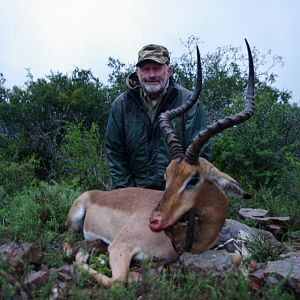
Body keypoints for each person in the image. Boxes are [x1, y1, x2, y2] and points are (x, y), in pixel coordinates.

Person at [105, 44, 210, 190]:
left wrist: (177, 194)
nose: (151, 75)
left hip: (176, 191)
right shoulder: (121, 105)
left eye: (157, 68)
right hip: (134, 194)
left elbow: (198, 156)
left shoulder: (190, 102)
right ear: (137, 72)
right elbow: (115, 153)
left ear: (169, 71)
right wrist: (128, 193)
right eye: (146, 69)